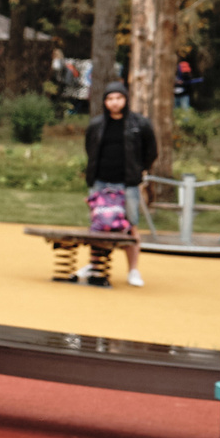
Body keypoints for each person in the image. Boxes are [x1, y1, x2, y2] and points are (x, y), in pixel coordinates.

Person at [83, 80, 156, 288]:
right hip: (100, 181)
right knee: (98, 225)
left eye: (119, 98)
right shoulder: (97, 125)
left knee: (131, 225)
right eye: (110, 99)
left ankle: (133, 269)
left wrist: (139, 170)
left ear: (125, 100)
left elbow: (151, 151)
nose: (114, 103)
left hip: (128, 184)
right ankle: (95, 265)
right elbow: (90, 150)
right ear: (105, 102)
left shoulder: (139, 124)